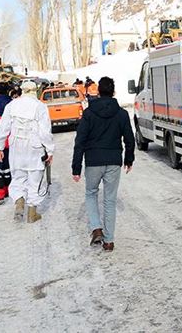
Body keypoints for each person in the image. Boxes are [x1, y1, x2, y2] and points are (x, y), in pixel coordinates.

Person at [72, 76, 135, 252]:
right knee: (110, 200)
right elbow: (129, 139)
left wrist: (76, 167)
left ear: (98, 91)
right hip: (114, 161)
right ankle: (109, 241)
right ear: (113, 91)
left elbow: (80, 141)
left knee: (91, 193)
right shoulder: (122, 114)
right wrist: (129, 159)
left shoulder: (89, 113)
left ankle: (96, 228)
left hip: (93, 161)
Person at [0, 80, 54, 223]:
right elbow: (45, 132)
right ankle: (32, 212)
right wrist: (50, 150)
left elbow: (3, 128)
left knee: (18, 178)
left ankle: (19, 202)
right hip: (34, 148)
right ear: (35, 91)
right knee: (35, 179)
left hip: (16, 149)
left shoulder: (11, 105)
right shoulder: (40, 106)